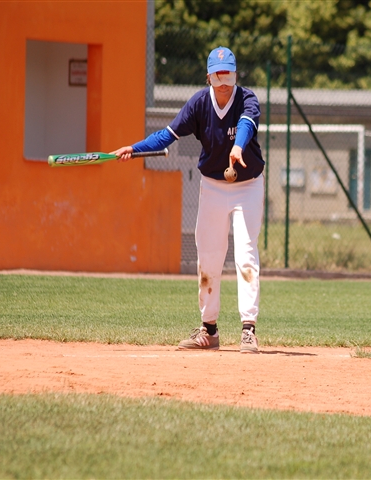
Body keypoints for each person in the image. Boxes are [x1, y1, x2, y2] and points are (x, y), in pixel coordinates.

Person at [111, 46, 264, 354]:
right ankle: (209, 330)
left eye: (229, 74)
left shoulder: (247, 98)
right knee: (208, 257)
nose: (224, 81)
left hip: (247, 186)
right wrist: (134, 148)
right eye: (218, 74)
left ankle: (248, 330)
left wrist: (239, 146)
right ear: (208, 76)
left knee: (246, 255)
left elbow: (247, 123)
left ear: (236, 76)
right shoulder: (198, 104)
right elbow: (166, 136)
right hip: (213, 186)